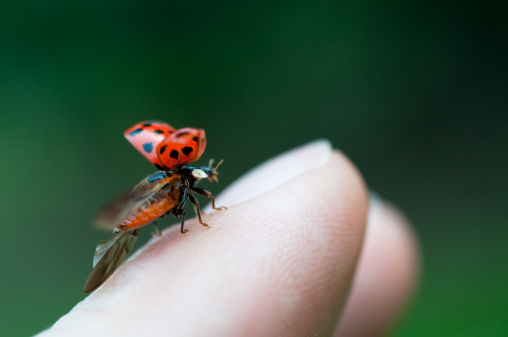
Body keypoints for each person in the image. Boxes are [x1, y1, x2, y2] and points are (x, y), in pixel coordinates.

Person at [37, 140, 419, 337]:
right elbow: (168, 201)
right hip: (140, 215)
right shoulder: (175, 181)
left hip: (143, 215)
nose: (206, 179)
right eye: (205, 174)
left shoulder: (182, 182)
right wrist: (192, 222)